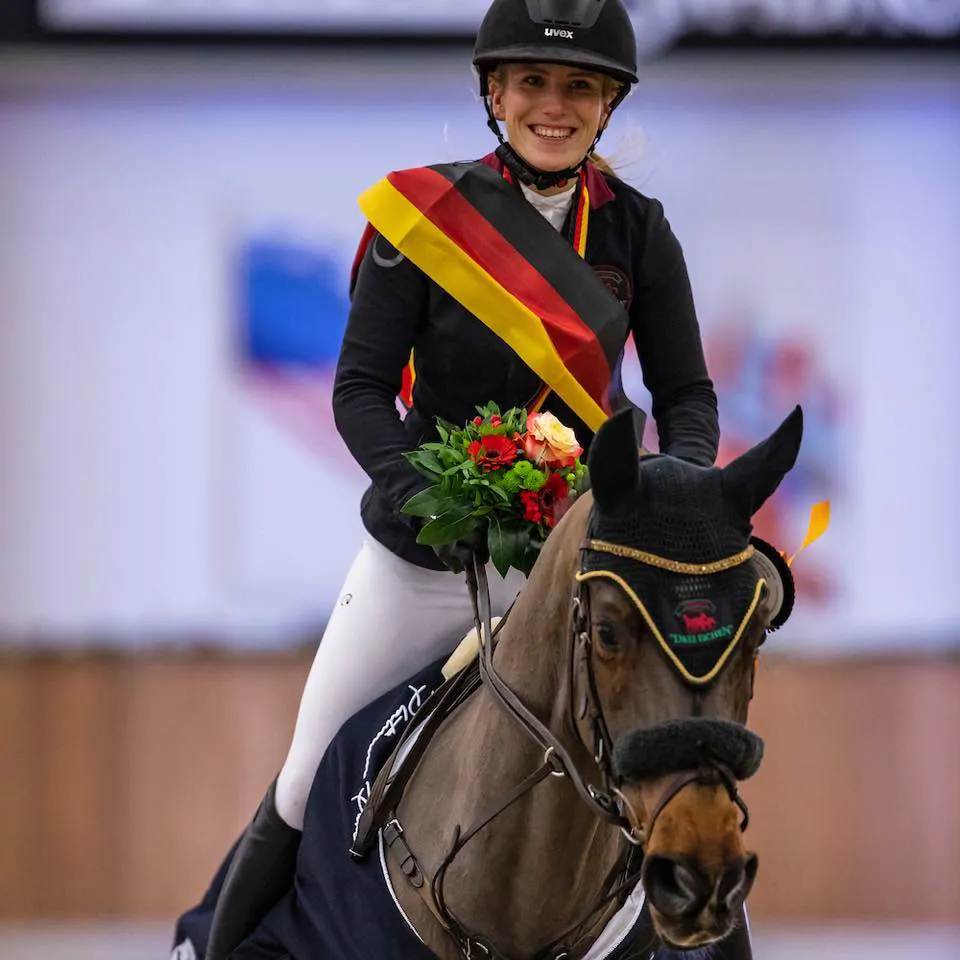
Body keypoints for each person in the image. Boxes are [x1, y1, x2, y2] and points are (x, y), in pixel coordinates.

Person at [202, 1, 721, 957]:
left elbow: (687, 394)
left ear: (607, 104)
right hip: (426, 556)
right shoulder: (423, 218)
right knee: (305, 767)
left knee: (674, 766)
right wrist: (412, 490)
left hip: (568, 565)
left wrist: (675, 494)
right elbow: (360, 389)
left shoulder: (640, 235)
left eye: (578, 87)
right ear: (494, 93)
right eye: (533, 83)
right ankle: (214, 947)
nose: (553, 106)